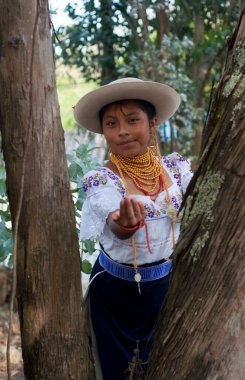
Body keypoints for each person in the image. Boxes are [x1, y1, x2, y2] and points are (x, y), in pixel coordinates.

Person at [73, 77, 193, 380]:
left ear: (152, 123)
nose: (122, 130)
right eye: (111, 124)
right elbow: (115, 223)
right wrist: (125, 224)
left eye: (132, 120)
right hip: (115, 297)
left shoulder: (175, 170)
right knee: (116, 371)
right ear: (104, 132)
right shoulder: (102, 180)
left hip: (166, 290)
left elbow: (204, 196)